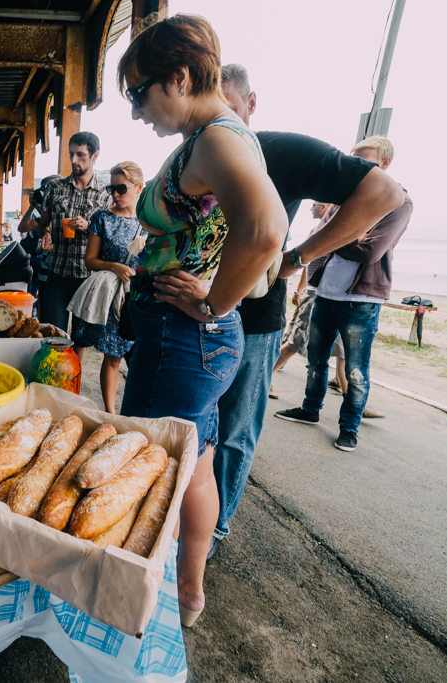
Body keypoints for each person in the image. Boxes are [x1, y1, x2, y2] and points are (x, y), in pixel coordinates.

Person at [160, 64, 404, 560]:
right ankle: (168, 526)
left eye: (227, 105)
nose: (216, 116)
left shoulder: (277, 148)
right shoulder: (195, 145)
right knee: (182, 428)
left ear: (250, 104)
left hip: (252, 319)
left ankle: (212, 534)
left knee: (232, 432)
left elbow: (386, 195)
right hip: (185, 316)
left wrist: (299, 258)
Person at [115, 17, 288, 628]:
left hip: (183, 337)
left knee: (152, 464)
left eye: (139, 93)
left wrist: (215, 302)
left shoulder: (217, 139)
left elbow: (267, 231)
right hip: (187, 339)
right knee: (196, 463)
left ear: (180, 76)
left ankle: (144, 592)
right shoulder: (218, 136)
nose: (137, 112)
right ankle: (186, 592)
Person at [275, 135, 413, 452]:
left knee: (355, 369)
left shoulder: (400, 201)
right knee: (316, 360)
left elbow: (371, 250)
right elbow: (318, 236)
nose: (357, 167)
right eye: (355, 160)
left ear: (385, 162)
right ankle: (310, 410)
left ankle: (349, 428)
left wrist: (336, 234)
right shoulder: (342, 197)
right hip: (325, 291)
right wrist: (347, 232)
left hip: (361, 299)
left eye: (365, 159)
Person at [71, 162, 145, 414]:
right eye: (112, 188)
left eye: (121, 188)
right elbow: (90, 261)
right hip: (112, 298)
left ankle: (135, 412)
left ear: (139, 188)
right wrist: (114, 266)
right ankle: (111, 414)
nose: (115, 194)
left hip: (141, 296)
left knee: (140, 358)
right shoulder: (103, 217)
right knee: (112, 357)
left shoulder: (150, 222)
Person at [34, 132, 112, 361]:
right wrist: (45, 233)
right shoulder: (55, 188)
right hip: (57, 274)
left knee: (81, 339)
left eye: (81, 155)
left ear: (95, 155)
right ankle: (52, 384)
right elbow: (42, 224)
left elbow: (110, 237)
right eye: (71, 154)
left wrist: (89, 227)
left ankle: (72, 383)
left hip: (87, 278)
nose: (74, 160)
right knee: (52, 336)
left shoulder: (106, 193)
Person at [272, 203, 348, 396]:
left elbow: (306, 263)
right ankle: (265, 378)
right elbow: (306, 261)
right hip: (317, 293)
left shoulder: (324, 229)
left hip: (326, 294)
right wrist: (300, 290)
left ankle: (351, 397)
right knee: (296, 343)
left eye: (314, 205)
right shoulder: (324, 231)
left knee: (342, 351)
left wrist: (299, 289)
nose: (310, 208)